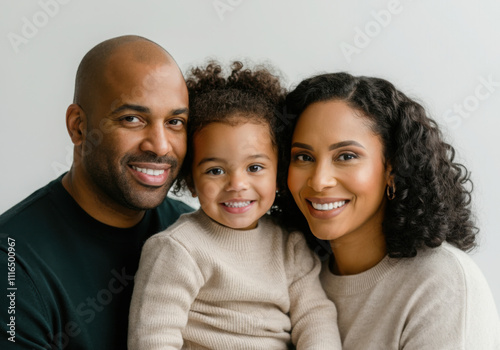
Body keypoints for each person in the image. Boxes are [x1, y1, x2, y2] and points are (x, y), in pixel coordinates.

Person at [128, 61, 342, 349]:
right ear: (191, 180)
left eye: (254, 167)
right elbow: (153, 337)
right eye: (216, 171)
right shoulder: (177, 249)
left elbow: (315, 317)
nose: (237, 185)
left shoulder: (289, 246)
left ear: (278, 175)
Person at [0, 35, 193, 350]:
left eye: (175, 122)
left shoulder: (191, 230)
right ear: (78, 126)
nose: (159, 145)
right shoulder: (12, 263)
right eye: (132, 119)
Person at [282, 72, 500, 349]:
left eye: (346, 156)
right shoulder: (295, 273)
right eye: (304, 157)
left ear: (392, 168)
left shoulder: (442, 283)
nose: (319, 180)